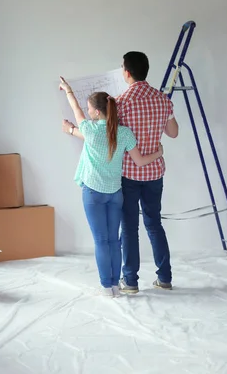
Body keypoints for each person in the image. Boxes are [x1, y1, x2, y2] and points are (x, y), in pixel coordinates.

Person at [63, 51, 178, 293]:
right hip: (155, 172)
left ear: (126, 72)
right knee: (154, 223)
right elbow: (173, 132)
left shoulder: (122, 101)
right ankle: (165, 277)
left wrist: (73, 130)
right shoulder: (162, 99)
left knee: (128, 227)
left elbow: (103, 135)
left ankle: (131, 281)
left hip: (128, 175)